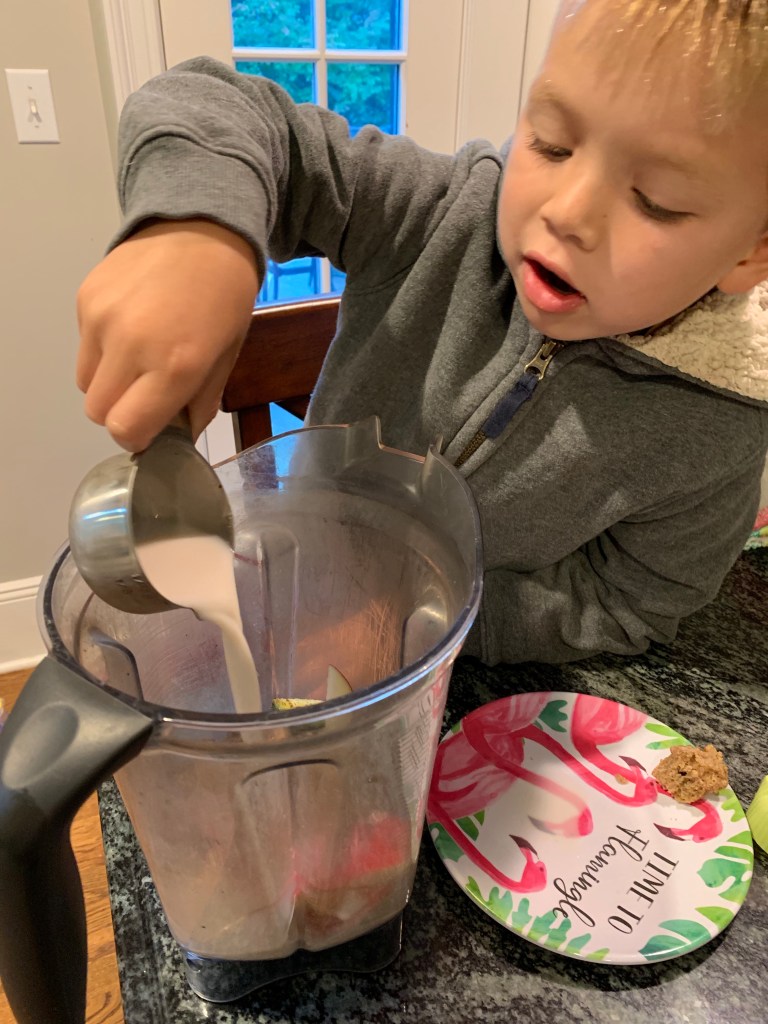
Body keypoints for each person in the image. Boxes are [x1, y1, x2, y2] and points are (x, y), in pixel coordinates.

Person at [75, 0, 768, 665]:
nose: (568, 213)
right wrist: (195, 229)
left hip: (460, 664)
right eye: (551, 143)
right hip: (304, 578)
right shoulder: (441, 216)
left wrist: (426, 617)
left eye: (656, 201)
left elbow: (634, 602)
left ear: (749, 252)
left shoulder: (723, 425)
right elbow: (224, 107)